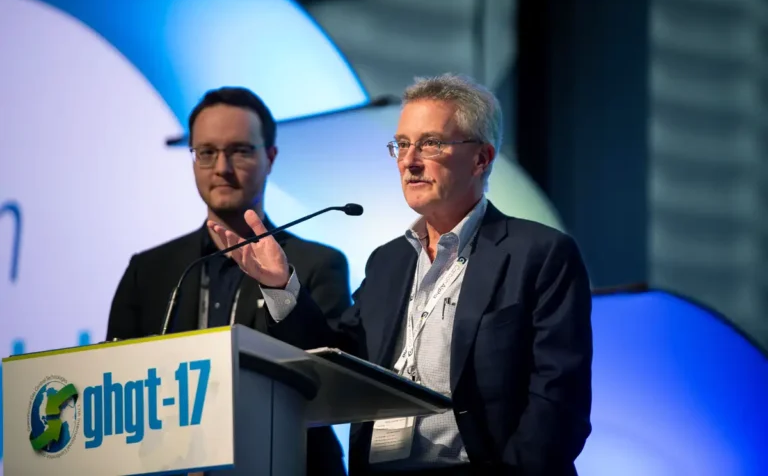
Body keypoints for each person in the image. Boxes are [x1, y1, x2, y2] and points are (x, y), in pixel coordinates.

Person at [209, 74, 593, 475]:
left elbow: (557, 400)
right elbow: (339, 360)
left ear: (481, 158)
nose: (409, 161)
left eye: (430, 143)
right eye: (402, 145)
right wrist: (280, 285)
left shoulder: (539, 254)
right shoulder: (388, 261)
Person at [106, 86, 350, 476]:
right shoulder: (148, 270)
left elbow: (328, 381)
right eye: (206, 152)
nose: (221, 167)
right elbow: (112, 385)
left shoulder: (316, 263)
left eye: (239, 150)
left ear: (270, 157)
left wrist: (279, 288)